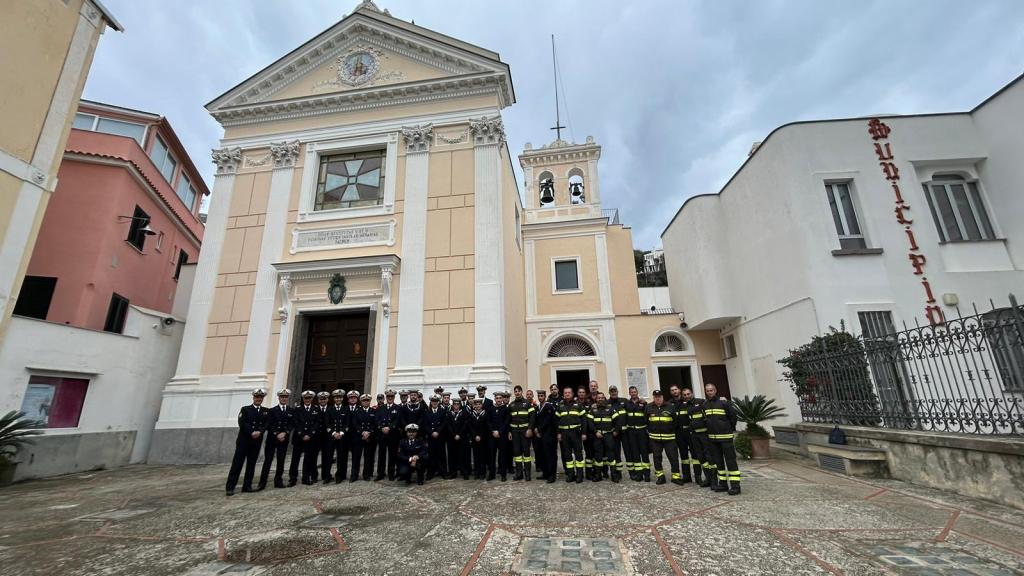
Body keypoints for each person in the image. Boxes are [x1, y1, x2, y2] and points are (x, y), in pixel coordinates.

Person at [226, 388, 270, 496]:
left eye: (260, 397)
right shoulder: (245, 409)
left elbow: (266, 424)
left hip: (256, 441)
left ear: (263, 398)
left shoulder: (265, 411)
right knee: (237, 463)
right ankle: (230, 487)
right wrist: (252, 432)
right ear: (253, 397)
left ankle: (247, 486)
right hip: (244, 441)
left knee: (251, 464)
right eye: (257, 397)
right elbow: (242, 423)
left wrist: (260, 432)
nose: (258, 399)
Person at [703, 383, 741, 495]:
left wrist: (729, 428)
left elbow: (733, 416)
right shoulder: (705, 404)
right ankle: (723, 484)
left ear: (715, 390)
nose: (709, 392)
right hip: (713, 439)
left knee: (731, 462)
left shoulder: (724, 402)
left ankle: (735, 486)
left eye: (711, 390)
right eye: (707, 390)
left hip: (725, 437)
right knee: (719, 463)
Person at [646, 389, 683, 485]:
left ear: (662, 397)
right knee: (657, 458)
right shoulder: (649, 407)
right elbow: (646, 421)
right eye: (655, 397)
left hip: (669, 438)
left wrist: (670, 429)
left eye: (659, 397)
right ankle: (660, 477)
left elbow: (676, 421)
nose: (657, 398)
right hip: (655, 439)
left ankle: (675, 477)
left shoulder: (670, 406)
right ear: (653, 397)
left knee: (673, 457)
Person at [258, 388, 293, 490]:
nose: (284, 398)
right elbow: (269, 424)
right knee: (268, 461)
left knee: (281, 461)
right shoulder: (272, 410)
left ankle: (278, 481)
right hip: (272, 440)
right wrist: (277, 434)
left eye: (286, 397)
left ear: (288, 398)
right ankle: (262, 482)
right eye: (282, 397)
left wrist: (285, 433)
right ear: (278, 398)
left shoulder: (291, 411)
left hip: (284, 440)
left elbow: (291, 424)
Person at [289, 390, 321, 486]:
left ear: (312, 399)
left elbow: (317, 423)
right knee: (295, 459)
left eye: (309, 398)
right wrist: (302, 434)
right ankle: (293, 478)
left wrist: (310, 435)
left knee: (308, 458)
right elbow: (296, 422)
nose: (307, 400)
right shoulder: (297, 409)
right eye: (305, 398)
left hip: (310, 438)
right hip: (299, 438)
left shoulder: (316, 409)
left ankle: (306, 477)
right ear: (303, 399)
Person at [555, 387, 586, 483]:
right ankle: (571, 474)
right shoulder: (560, 406)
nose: (567, 394)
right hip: (564, 434)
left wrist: (584, 433)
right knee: (567, 456)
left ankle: (580, 475)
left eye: (569, 392)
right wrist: (558, 433)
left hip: (576, 433)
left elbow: (584, 420)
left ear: (572, 394)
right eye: (565, 393)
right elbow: (556, 421)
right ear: (563, 394)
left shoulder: (578, 405)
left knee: (579, 455)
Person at [588, 392, 620, 483]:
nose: (600, 399)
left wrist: (616, 431)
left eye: (602, 398)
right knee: (598, 455)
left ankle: (614, 475)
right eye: (598, 398)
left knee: (611, 454)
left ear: (604, 399)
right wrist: (595, 431)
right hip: (597, 436)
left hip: (608, 435)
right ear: (596, 399)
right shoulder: (593, 410)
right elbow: (589, 422)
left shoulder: (610, 409)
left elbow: (618, 420)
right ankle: (598, 475)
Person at [508, 385, 536, 481]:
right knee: (517, 453)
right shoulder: (511, 405)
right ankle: (519, 473)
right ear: (514, 393)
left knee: (526, 453)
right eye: (515, 391)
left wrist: (530, 429)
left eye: (519, 391)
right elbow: (509, 420)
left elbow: (533, 417)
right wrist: (509, 432)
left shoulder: (527, 403)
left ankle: (527, 473)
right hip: (515, 432)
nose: (517, 393)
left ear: (521, 392)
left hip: (525, 432)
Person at [673, 386, 700, 484]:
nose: (686, 396)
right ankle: (686, 476)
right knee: (684, 456)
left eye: (688, 394)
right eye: (685, 395)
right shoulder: (675, 404)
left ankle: (698, 477)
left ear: (691, 394)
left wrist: (721, 399)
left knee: (695, 455)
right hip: (680, 433)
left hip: (690, 432)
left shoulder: (696, 403)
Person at [623, 386, 650, 482]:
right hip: (631, 432)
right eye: (631, 392)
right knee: (635, 453)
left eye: (635, 392)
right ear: (629, 393)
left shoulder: (643, 403)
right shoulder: (626, 404)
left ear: (637, 392)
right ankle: (639, 474)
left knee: (644, 452)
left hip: (641, 431)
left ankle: (647, 474)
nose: (633, 393)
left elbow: (647, 416)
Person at [374, 389, 401, 481]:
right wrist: (382, 427)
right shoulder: (381, 408)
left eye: (391, 396)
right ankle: (380, 473)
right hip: (382, 435)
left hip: (392, 435)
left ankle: (391, 473)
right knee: (381, 455)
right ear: (386, 397)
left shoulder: (398, 408)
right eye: (388, 396)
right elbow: (376, 420)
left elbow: (397, 421)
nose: (390, 398)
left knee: (392, 455)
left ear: (394, 397)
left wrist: (389, 427)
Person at [324, 389, 348, 484]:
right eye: (336, 397)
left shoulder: (346, 409)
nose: (338, 399)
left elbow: (347, 424)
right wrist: (334, 433)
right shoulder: (329, 409)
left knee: (340, 457)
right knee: (328, 457)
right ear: (334, 398)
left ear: (342, 398)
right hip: (331, 437)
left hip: (341, 437)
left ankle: (339, 476)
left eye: (340, 397)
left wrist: (341, 433)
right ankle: (327, 476)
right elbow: (327, 424)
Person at [534, 389, 557, 483]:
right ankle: (545, 473)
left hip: (549, 434)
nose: (540, 398)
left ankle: (552, 475)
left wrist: (539, 429)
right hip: (540, 435)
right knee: (542, 454)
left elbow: (547, 421)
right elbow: (535, 419)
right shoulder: (538, 407)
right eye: (539, 396)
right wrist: (536, 429)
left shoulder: (548, 406)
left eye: (542, 396)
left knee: (550, 455)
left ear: (545, 396)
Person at [424, 395, 449, 480]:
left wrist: (437, 431)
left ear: (438, 402)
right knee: (431, 455)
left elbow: (444, 423)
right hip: (431, 437)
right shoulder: (426, 412)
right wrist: (432, 432)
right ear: (431, 402)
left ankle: (443, 472)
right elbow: (425, 424)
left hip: (440, 436)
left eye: (436, 401)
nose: (434, 402)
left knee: (441, 455)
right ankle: (430, 473)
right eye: (433, 401)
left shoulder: (443, 411)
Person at [488, 392, 511, 481]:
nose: (498, 400)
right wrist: (493, 431)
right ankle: (491, 474)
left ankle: (503, 474)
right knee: (492, 455)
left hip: (502, 436)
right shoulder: (491, 409)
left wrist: (499, 431)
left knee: (503, 456)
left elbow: (506, 422)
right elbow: (488, 422)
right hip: (492, 435)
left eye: (500, 398)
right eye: (497, 398)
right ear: (495, 399)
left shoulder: (505, 409)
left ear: (502, 399)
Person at [337, 390, 359, 482]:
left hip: (356, 436)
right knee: (342, 456)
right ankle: (341, 475)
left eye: (354, 398)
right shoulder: (343, 409)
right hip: (344, 436)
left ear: (357, 399)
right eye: (351, 398)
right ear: (348, 399)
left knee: (356, 456)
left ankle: (354, 475)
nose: (353, 399)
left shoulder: (360, 409)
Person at [354, 393, 377, 481]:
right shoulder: (357, 411)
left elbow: (375, 424)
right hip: (359, 437)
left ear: (370, 401)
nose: (366, 402)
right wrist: (362, 432)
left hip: (369, 438)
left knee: (368, 457)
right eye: (364, 400)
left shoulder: (373, 411)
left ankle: (366, 475)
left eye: (367, 400)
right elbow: (355, 424)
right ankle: (354, 475)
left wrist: (368, 433)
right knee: (356, 457)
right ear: (361, 401)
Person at [606, 385, 627, 480]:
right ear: (609, 393)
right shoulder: (606, 403)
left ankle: (633, 472)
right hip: (615, 433)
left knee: (629, 452)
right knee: (616, 453)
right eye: (611, 391)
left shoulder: (624, 401)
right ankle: (618, 472)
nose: (613, 393)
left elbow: (633, 406)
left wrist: (641, 401)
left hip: (626, 432)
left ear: (617, 392)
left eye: (615, 391)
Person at [468, 398, 491, 480]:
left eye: (479, 404)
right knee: (476, 456)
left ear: (482, 405)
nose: (478, 406)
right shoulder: (471, 414)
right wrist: (475, 436)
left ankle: (482, 473)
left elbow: (486, 427)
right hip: (475, 439)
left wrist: (480, 436)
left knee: (483, 456)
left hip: (483, 439)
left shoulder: (485, 414)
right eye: (476, 404)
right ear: (474, 405)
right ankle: (477, 473)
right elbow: (470, 427)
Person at [449, 398, 471, 479]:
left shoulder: (464, 413)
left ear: (460, 405)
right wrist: (454, 434)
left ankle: (464, 472)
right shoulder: (449, 413)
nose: (456, 406)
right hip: (452, 438)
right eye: (455, 404)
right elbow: (448, 425)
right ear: (452, 405)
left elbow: (465, 425)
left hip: (462, 438)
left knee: (462, 455)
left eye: (458, 404)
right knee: (453, 456)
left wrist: (459, 434)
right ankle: (453, 472)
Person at [313, 391, 332, 483]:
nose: (323, 400)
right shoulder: (314, 409)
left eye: (325, 399)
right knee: (314, 456)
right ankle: (314, 475)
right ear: (318, 400)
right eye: (321, 399)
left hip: (327, 437)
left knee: (327, 457)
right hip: (316, 437)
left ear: (328, 399)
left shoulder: (331, 409)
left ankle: (326, 475)